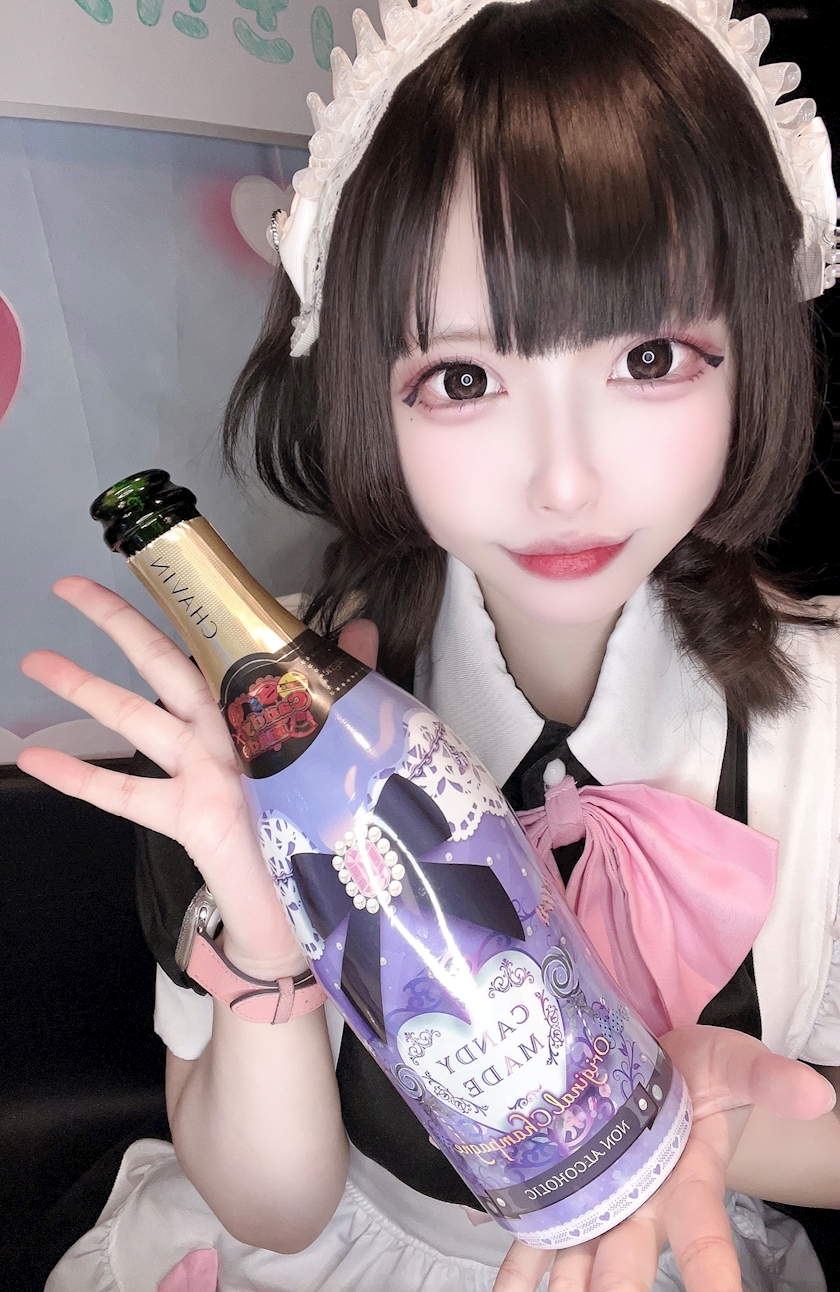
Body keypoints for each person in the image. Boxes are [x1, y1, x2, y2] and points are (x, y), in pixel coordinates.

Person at [17, 0, 840, 1288]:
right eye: (464, 380)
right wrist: (267, 937)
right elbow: (275, 1211)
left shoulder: (830, 727)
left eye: (650, 356)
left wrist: (720, 1125)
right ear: (370, 395)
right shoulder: (266, 738)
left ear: (756, 360)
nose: (562, 480)